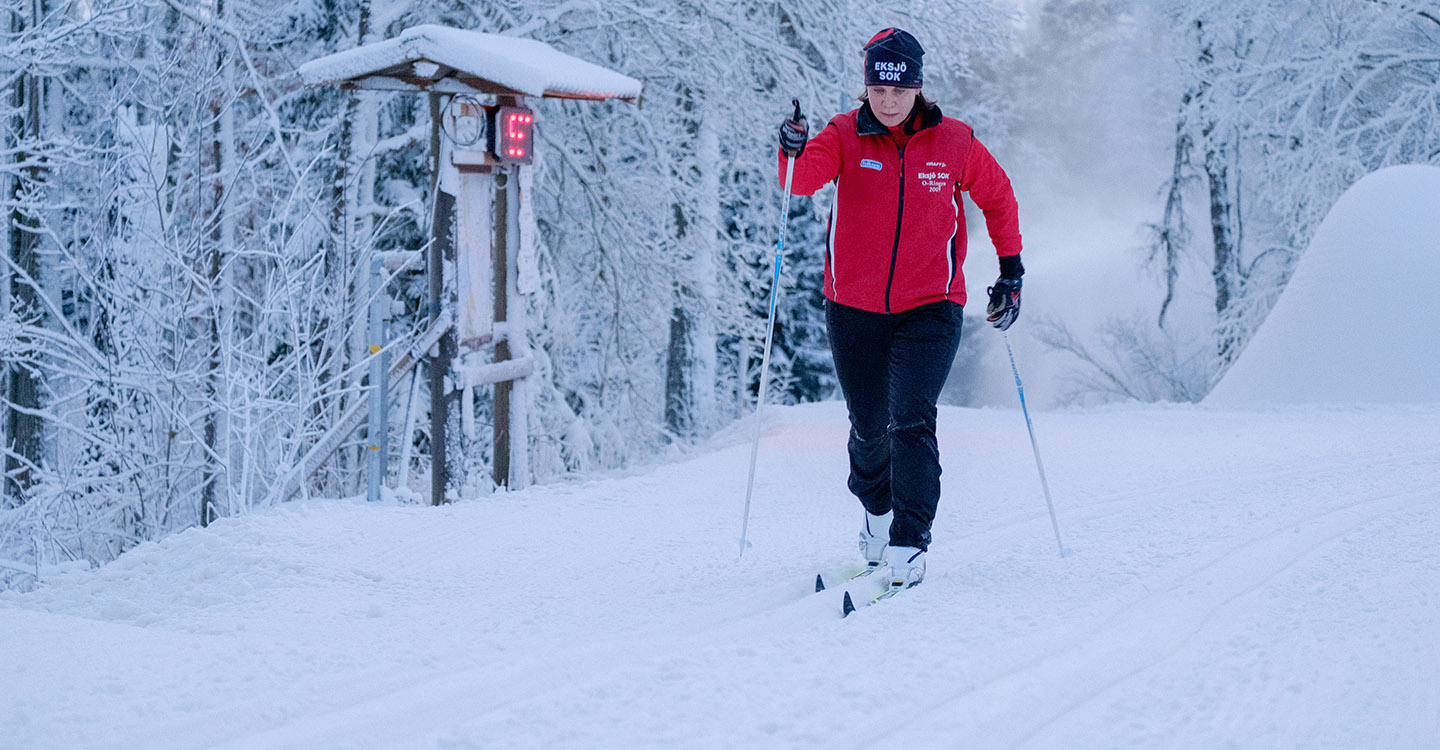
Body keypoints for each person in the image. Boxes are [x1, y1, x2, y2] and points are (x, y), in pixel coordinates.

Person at [776, 27, 1024, 592]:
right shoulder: (843, 133)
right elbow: (802, 180)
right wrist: (791, 147)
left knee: (910, 419)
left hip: (931, 306)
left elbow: (998, 195)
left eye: (899, 90)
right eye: (878, 91)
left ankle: (909, 545)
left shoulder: (954, 142)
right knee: (868, 428)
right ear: (866, 88)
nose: (888, 102)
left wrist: (1011, 272)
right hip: (854, 308)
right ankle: (878, 518)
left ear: (917, 86)